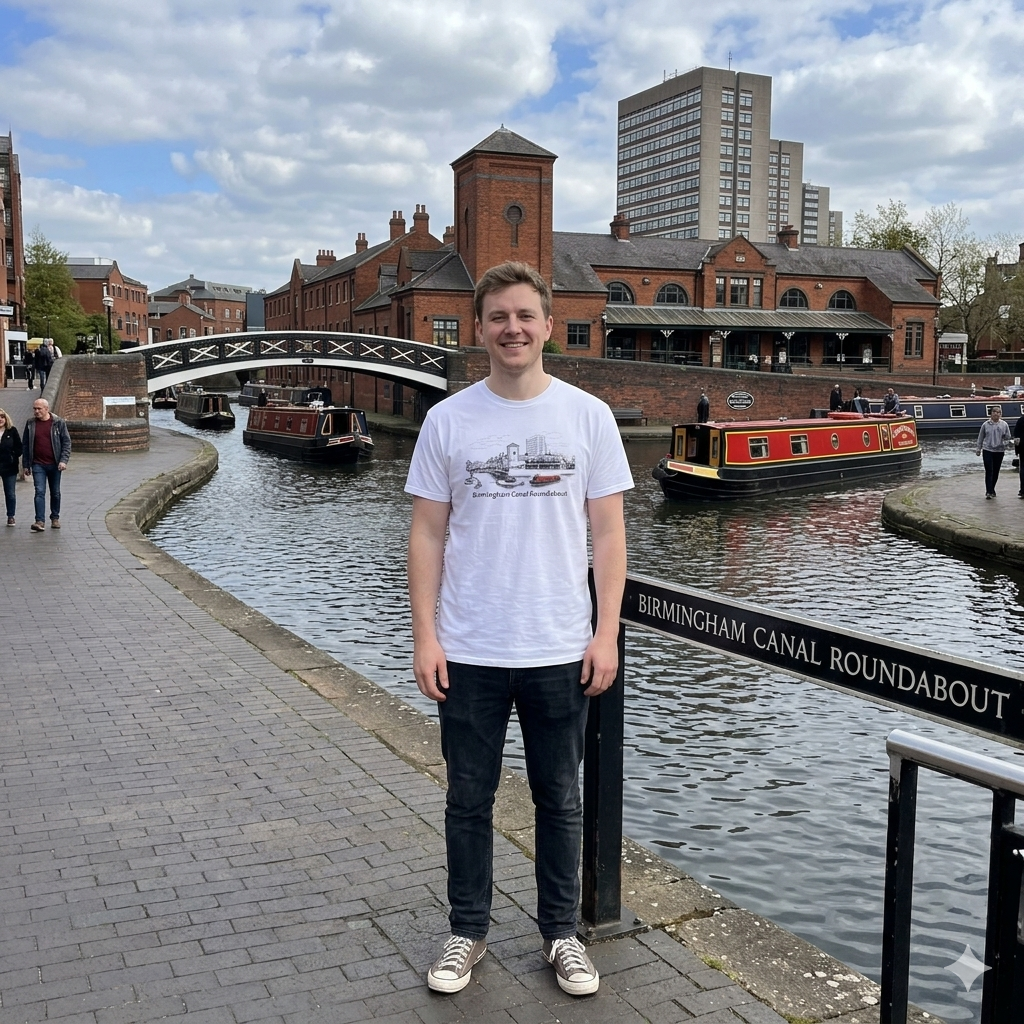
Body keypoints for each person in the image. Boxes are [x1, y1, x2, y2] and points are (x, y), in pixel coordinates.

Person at [406, 261, 632, 998]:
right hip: (468, 647)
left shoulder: (587, 416)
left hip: (558, 645)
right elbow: (427, 536)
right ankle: (467, 931)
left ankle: (560, 934)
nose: (513, 328)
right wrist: (425, 637)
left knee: (558, 799)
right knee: (466, 798)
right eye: (499, 317)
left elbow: (609, 535)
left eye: (525, 316)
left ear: (546, 325)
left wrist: (606, 634)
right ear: (479, 328)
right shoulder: (448, 420)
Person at [22, 398, 71, 530]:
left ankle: (55, 518)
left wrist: (63, 460)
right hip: (38, 464)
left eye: (39, 409)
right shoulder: (30, 424)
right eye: (34, 409)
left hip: (55, 464)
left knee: (55, 492)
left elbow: (66, 442)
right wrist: (26, 465)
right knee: (39, 491)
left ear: (46, 409)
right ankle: (39, 521)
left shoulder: (58, 423)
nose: (36, 411)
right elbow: (25, 444)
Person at [976, 406, 1011, 498]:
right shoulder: (985, 424)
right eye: (994, 412)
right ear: (991, 413)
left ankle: (992, 489)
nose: (996, 414)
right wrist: (978, 449)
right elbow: (980, 437)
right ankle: (988, 491)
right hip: (988, 449)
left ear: (1001, 414)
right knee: (989, 470)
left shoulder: (1004, 425)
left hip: (999, 450)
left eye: (998, 412)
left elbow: (1008, 437)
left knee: (996, 471)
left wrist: (1007, 442)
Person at [0, 408, 23, 526]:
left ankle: (11, 516)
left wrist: (13, 455)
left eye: (2, 416)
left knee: (10, 493)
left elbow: (19, 447)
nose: (0, 419)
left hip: (9, 466)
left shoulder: (12, 431)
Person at [1014, 412, 1024, 498]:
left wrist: (1017, 451)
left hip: (1022, 449)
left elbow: (1016, 437)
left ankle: (1023, 491)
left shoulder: (1020, 421)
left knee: (1023, 470)